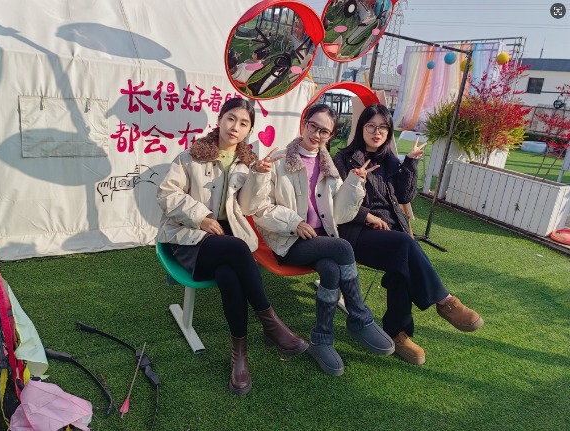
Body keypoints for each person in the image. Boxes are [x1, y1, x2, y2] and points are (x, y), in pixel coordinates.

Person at [156, 98, 308, 395]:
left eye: (243, 123)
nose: (235, 127)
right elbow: (166, 194)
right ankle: (271, 324)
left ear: (249, 129)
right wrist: (201, 218)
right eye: (231, 118)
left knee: (229, 275)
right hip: (189, 237)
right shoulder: (189, 157)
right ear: (220, 119)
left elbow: (248, 207)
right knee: (238, 250)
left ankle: (240, 354)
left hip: (227, 239)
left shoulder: (249, 163)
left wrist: (259, 175)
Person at [240, 104, 395, 377]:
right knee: (343, 247)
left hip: (321, 241)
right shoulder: (280, 161)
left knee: (332, 270)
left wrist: (354, 183)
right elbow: (256, 208)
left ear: (330, 136)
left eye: (324, 131)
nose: (316, 134)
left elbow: (340, 214)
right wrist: (293, 221)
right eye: (313, 126)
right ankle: (359, 317)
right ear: (304, 124)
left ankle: (321, 340)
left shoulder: (328, 166)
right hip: (289, 242)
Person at [333, 104, 484, 365]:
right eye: (371, 126)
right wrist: (366, 216)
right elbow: (335, 203)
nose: (377, 132)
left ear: (389, 132)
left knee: (401, 264)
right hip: (357, 233)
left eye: (383, 127)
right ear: (361, 128)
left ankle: (398, 333)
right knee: (404, 245)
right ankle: (445, 301)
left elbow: (404, 196)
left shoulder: (389, 159)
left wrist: (411, 163)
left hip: (392, 235)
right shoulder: (344, 159)